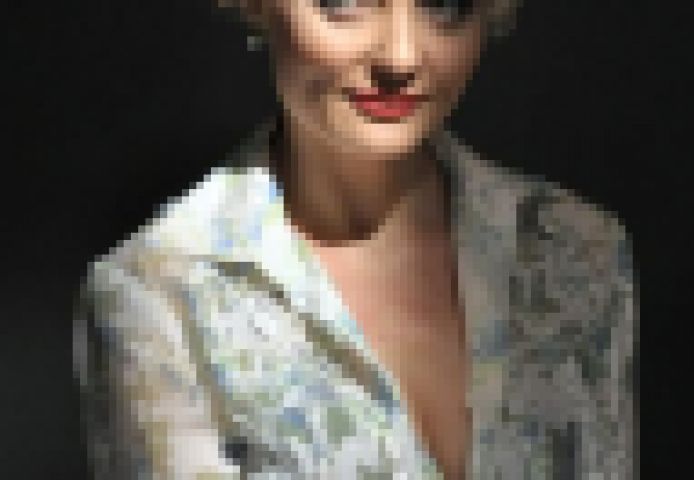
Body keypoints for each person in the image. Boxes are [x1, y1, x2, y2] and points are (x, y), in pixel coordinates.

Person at [73, 1, 636, 479]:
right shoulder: (159, 295)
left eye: (446, 4)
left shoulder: (573, 251)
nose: (401, 57)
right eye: (344, 1)